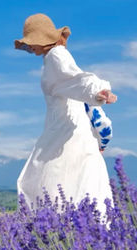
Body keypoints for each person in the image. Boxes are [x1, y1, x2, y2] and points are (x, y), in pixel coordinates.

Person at [15, 13, 118, 216]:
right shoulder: (51, 58)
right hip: (78, 136)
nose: (29, 48)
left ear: (43, 38)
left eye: (31, 42)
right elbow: (80, 89)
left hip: (65, 137)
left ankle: (58, 240)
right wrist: (102, 140)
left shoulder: (56, 56)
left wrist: (98, 91)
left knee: (51, 190)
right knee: (85, 192)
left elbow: (77, 78)